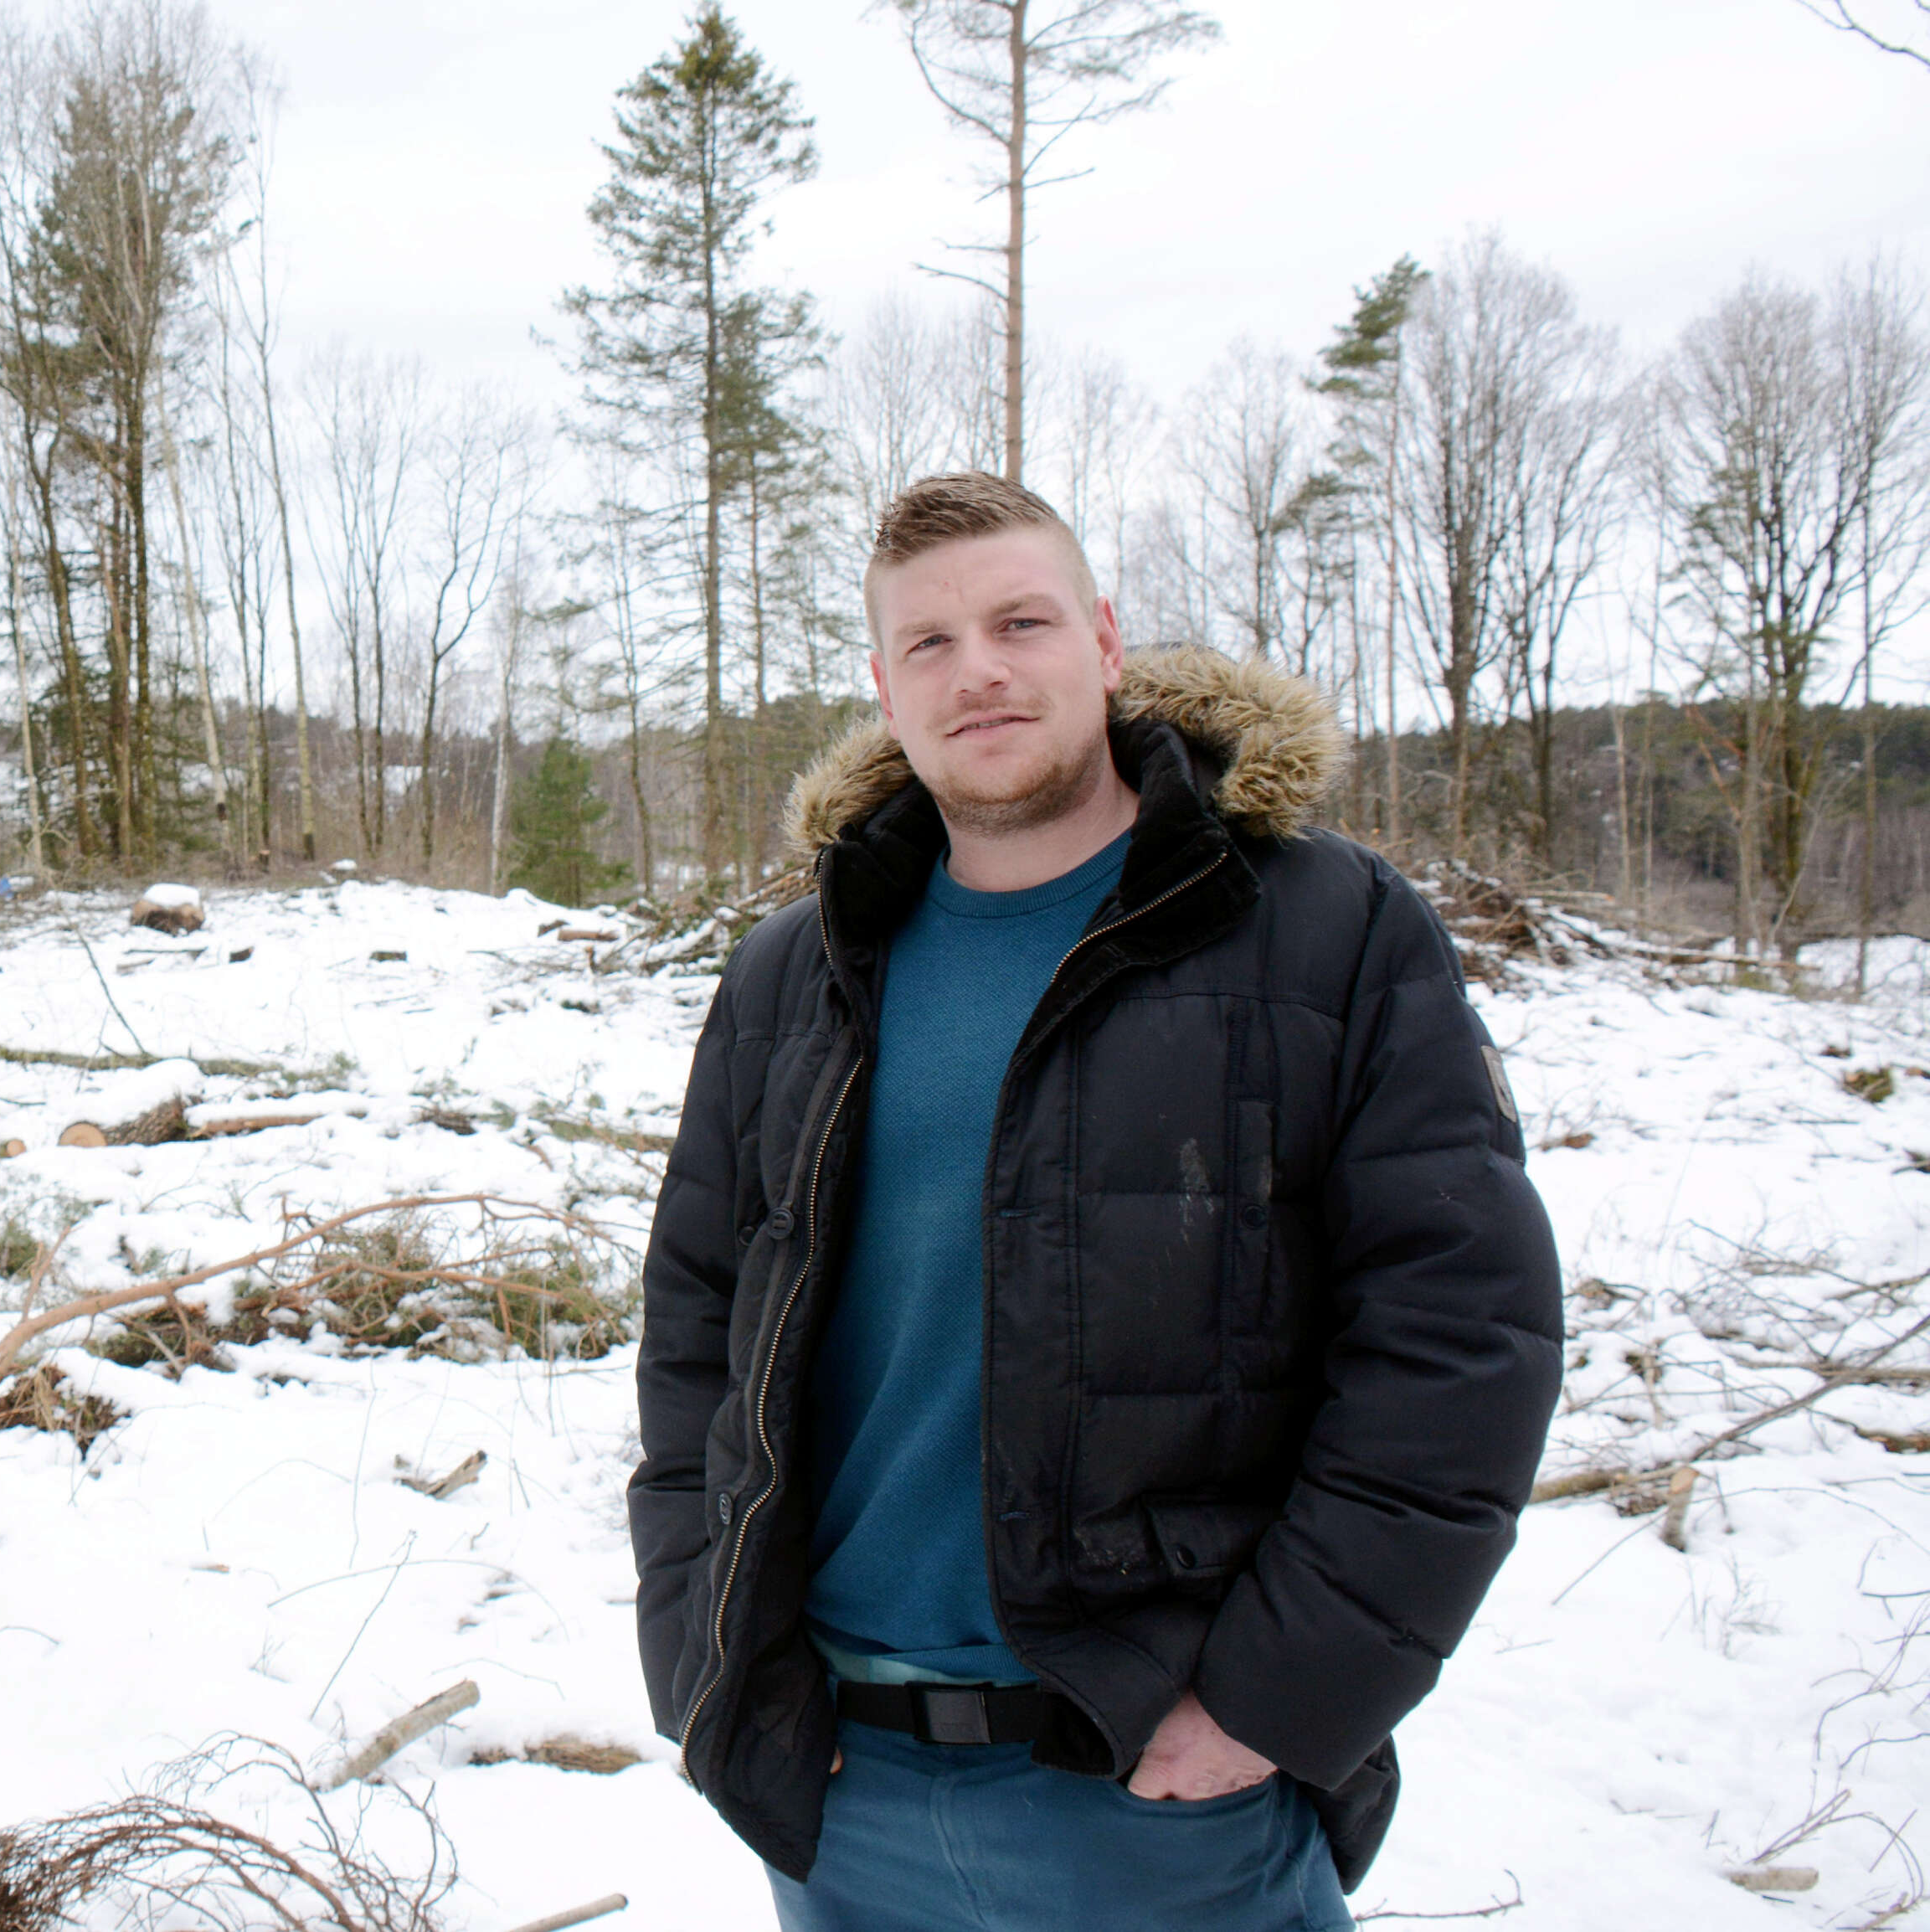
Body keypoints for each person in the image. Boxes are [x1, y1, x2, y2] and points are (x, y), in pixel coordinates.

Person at [627, 473, 1561, 1931]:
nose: (979, 670)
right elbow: (698, 1336)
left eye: (1022, 622)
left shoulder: (1320, 928)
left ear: (1107, 642)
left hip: (1152, 1792)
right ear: (884, 687)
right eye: (929, 643)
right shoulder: (793, 972)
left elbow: (1461, 1338)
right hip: (836, 1790)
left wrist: (1276, 1698)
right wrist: (705, 1658)